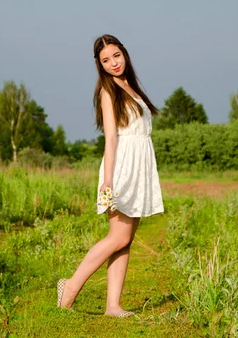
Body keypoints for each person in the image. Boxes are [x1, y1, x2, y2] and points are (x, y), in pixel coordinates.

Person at [56, 34, 164, 318]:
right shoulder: (108, 91)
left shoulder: (130, 86)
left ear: (124, 54)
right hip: (122, 167)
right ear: (99, 65)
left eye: (116, 56)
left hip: (139, 165)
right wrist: (108, 180)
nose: (113, 63)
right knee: (117, 237)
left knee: (125, 239)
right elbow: (112, 139)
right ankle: (70, 286)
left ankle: (112, 306)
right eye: (106, 60)